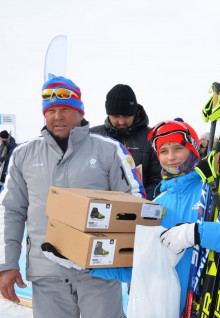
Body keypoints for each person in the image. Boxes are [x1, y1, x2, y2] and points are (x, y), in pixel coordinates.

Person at [0, 76, 145, 318]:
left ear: (80, 113)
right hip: (47, 274)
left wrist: (134, 260)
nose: (58, 116)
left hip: (99, 271)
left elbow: (134, 204)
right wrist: (7, 264)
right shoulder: (23, 155)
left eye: (66, 109)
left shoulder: (108, 149)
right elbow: (10, 211)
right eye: (51, 110)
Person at [149, 119, 220, 317]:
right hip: (166, 307)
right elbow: (147, 260)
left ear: (193, 149)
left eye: (178, 148)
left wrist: (196, 232)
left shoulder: (219, 189)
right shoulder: (158, 201)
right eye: (163, 151)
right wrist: (95, 265)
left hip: (210, 304)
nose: (171, 157)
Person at [90, 84, 161, 200]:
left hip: (137, 206)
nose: (121, 121)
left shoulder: (151, 138)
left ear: (134, 113)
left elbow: (158, 178)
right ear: (108, 113)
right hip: (99, 206)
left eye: (127, 116)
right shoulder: (93, 136)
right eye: (116, 116)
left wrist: (141, 202)